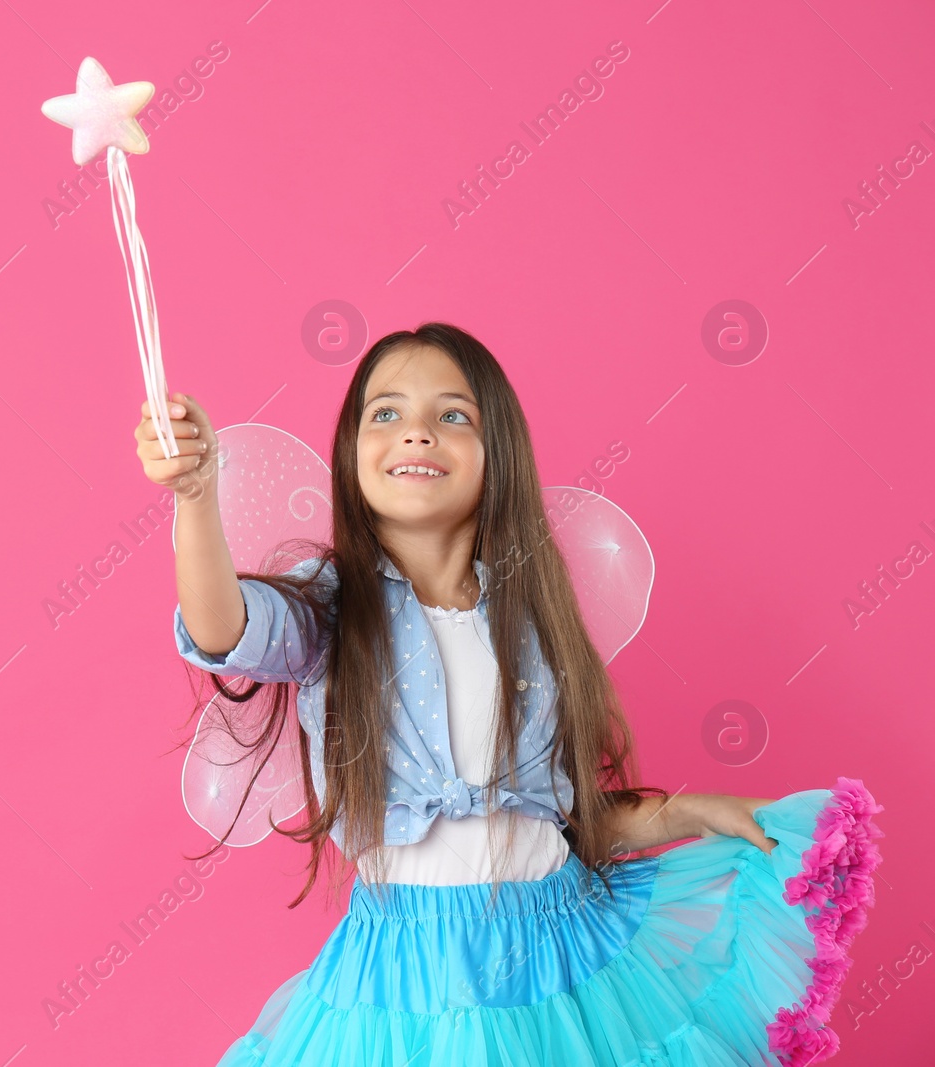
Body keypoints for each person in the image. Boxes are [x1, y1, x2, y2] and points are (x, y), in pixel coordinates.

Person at [134, 323, 884, 1065]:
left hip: (563, 955)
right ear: (350, 455)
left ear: (500, 456)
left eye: (452, 415)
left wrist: (691, 810)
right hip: (407, 978)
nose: (417, 434)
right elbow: (224, 625)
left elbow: (563, 820)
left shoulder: (531, 619)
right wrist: (196, 498)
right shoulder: (331, 610)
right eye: (385, 413)